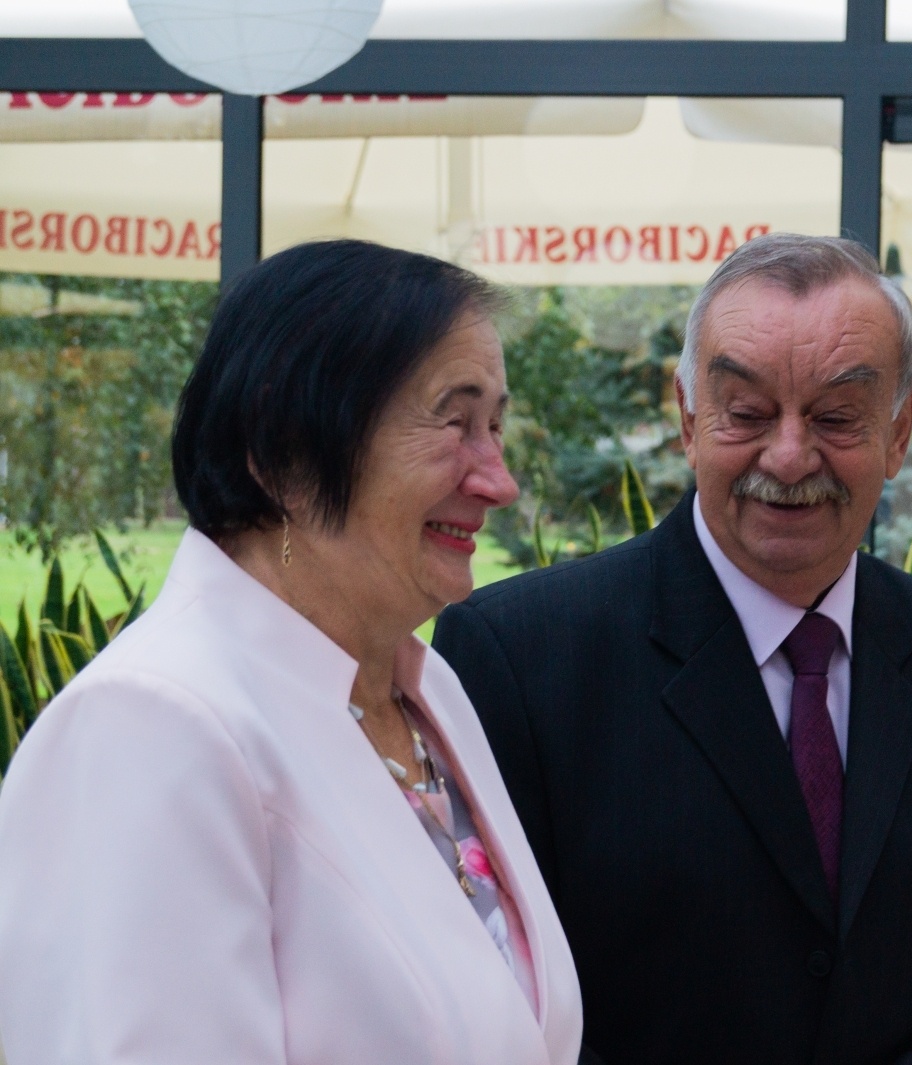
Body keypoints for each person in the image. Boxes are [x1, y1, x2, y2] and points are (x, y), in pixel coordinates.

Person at [432, 232, 912, 1065]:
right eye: (747, 412)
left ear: (900, 430)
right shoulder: (519, 658)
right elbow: (489, 996)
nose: (788, 454)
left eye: (838, 416)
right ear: (689, 416)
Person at [0, 240, 583, 1065]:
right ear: (281, 448)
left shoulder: (427, 687)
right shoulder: (150, 725)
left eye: (496, 425)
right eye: (455, 422)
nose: (498, 479)